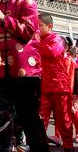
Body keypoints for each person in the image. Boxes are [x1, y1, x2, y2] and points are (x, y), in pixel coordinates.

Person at [0, 0, 49, 152]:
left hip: (25, 73)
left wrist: (5, 19)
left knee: (29, 120)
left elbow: (28, 32)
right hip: (0, 74)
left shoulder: (26, 3)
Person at [38, 13, 73, 152]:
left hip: (59, 87)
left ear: (49, 26)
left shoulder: (56, 39)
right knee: (41, 119)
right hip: (44, 87)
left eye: (40, 26)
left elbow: (52, 52)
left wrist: (35, 46)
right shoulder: (38, 39)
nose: (37, 29)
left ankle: (68, 147)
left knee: (64, 120)